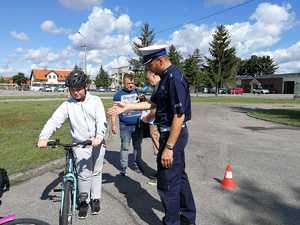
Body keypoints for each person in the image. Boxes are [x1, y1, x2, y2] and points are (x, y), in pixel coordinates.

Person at [110, 45, 196, 225]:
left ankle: (172, 222)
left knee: (168, 184)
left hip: (173, 135)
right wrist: (128, 106)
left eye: (150, 65)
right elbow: (152, 104)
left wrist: (169, 148)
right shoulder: (165, 78)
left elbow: (179, 116)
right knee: (179, 178)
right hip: (169, 134)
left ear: (160, 60)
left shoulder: (174, 79)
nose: (148, 70)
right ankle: (188, 219)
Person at [37, 68, 107, 219]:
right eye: (72, 90)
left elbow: (102, 120)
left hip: (97, 142)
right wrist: (43, 137)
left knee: (96, 171)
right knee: (83, 174)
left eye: (79, 89)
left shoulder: (95, 101)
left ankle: (95, 198)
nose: (76, 93)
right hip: (80, 144)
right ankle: (84, 202)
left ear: (86, 86)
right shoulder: (67, 105)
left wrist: (99, 137)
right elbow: (54, 121)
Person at [111, 73, 143, 176]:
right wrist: (113, 125)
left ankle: (137, 164)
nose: (131, 85)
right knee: (125, 147)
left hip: (138, 125)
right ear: (123, 83)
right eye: (129, 83)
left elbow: (144, 104)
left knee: (137, 146)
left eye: (133, 83)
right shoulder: (118, 95)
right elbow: (114, 111)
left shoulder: (138, 92)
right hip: (125, 126)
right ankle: (123, 167)